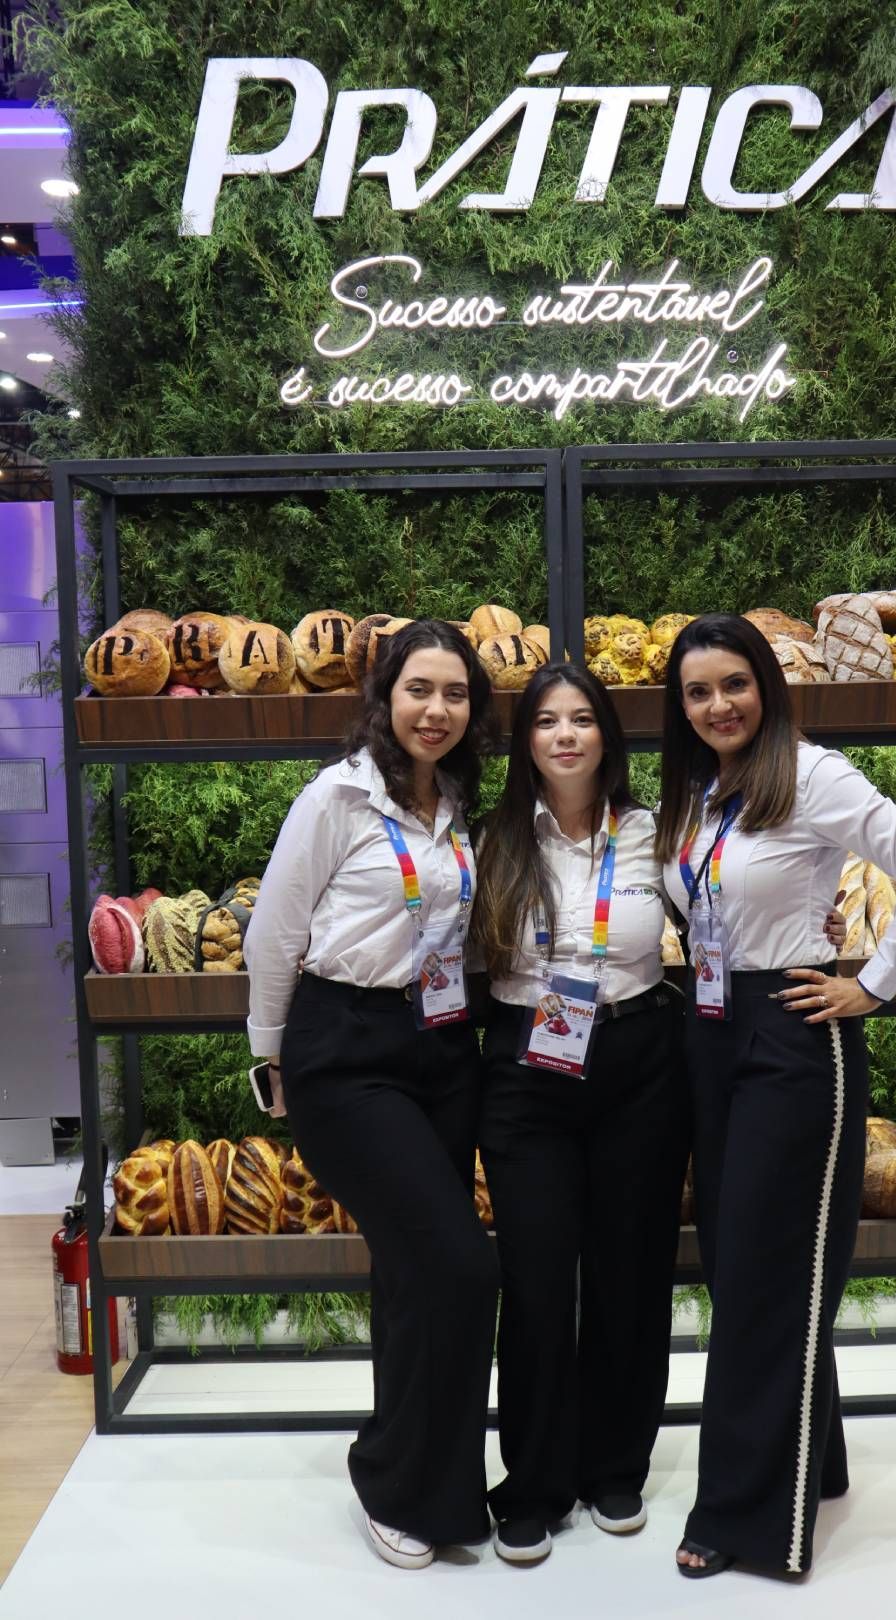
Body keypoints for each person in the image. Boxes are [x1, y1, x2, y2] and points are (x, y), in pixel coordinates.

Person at [471, 662, 849, 1566]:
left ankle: (615, 1468)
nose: (565, 736)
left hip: (642, 1060)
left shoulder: (659, 830)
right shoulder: (491, 840)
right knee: (533, 1278)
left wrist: (823, 924)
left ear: (608, 734)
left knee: (631, 1274)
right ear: (526, 742)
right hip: (527, 1067)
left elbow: (731, 901)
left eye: (582, 720)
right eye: (546, 722)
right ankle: (531, 1483)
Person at [655, 613, 896, 1580]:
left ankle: (744, 1520)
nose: (717, 706)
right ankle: (812, 1463)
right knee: (747, 1262)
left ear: (767, 687)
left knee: (765, 1274)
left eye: (734, 685)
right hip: (708, 1028)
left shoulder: (814, 774)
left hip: (794, 1033)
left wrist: (871, 982)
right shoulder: (699, 789)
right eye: (698, 691)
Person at [243, 619, 499, 1571]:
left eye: (456, 694)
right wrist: (270, 1058)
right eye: (419, 690)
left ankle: (433, 1485)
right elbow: (273, 935)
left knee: (409, 1278)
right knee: (464, 1268)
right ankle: (389, 1476)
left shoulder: (460, 800)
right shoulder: (337, 798)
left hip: (440, 1043)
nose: (437, 710)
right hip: (344, 1047)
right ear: (386, 698)